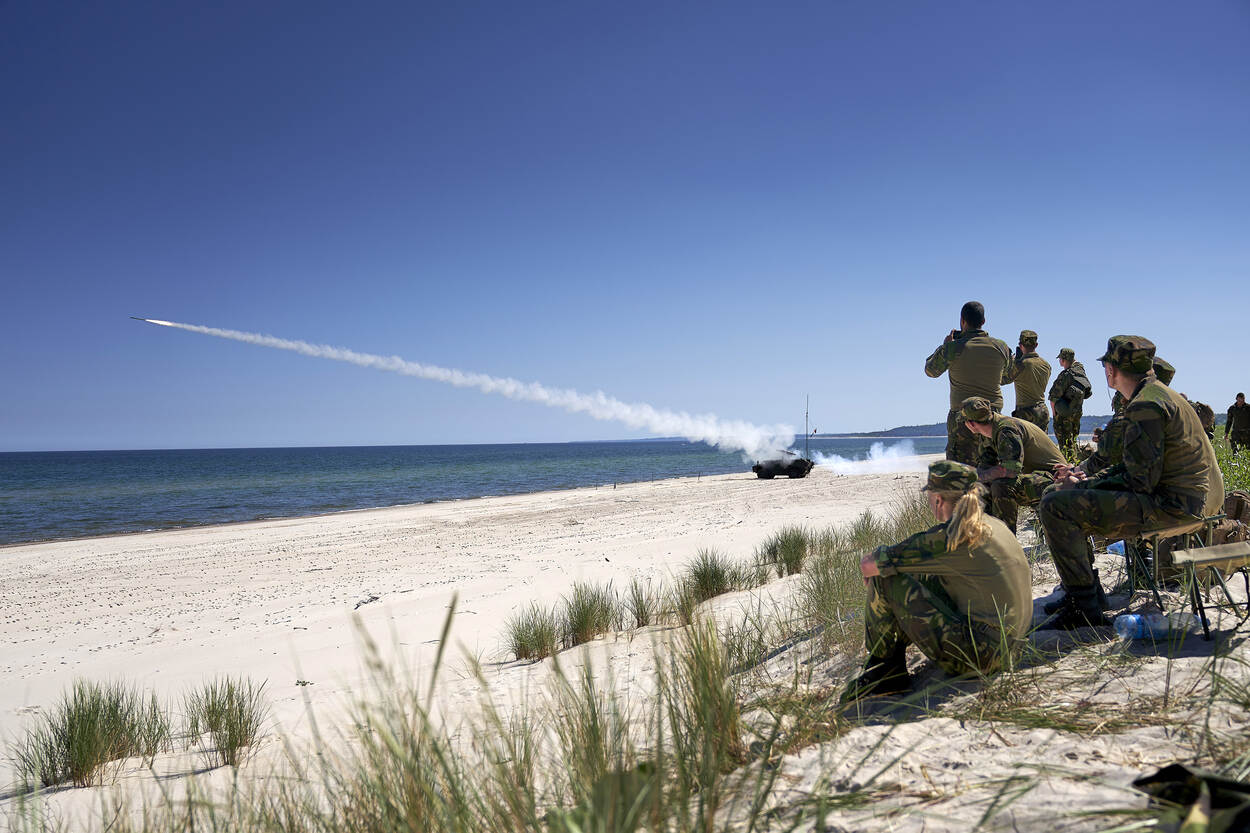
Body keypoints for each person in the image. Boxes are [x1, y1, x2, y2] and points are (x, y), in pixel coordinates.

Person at [1037, 336, 1211, 630]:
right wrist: (1088, 480)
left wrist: (1082, 486)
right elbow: (1137, 468)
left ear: (1112, 370)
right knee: (1059, 495)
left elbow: (1139, 480)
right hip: (1179, 501)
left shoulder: (1146, 405)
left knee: (1055, 505)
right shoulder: (1159, 395)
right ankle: (1089, 594)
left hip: (1171, 507)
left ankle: (1084, 607)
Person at [841, 460, 1031, 702]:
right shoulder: (994, 524)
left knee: (885, 579)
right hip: (1013, 649)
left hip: (983, 658)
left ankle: (884, 672)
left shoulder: (954, 537)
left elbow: (869, 564)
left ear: (938, 500)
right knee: (916, 574)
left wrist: (880, 573)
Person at [960, 396, 1066, 535]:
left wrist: (977, 476)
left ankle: (1007, 540)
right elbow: (986, 467)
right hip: (1038, 476)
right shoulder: (989, 431)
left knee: (1002, 486)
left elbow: (1011, 470)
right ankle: (986, 538)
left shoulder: (1006, 429)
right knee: (979, 488)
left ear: (971, 424)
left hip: (1056, 478)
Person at [924, 301, 1012, 466]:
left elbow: (930, 371)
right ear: (983, 321)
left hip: (962, 418)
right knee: (990, 467)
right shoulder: (1001, 347)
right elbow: (1006, 375)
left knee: (960, 470)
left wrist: (945, 346)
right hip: (993, 415)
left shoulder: (953, 348)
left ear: (962, 321)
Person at [1049, 348, 1093, 462]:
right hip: (1076, 414)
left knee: (1065, 445)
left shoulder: (1066, 375)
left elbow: (1053, 398)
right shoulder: (1081, 373)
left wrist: (1055, 415)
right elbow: (1088, 393)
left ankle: (1069, 466)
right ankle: (1075, 463)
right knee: (1072, 441)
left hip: (1063, 416)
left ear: (1063, 360)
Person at [1007, 330, 1051, 431]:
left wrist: (1011, 362)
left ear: (1020, 345)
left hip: (1025, 413)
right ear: (1036, 345)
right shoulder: (1046, 365)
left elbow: (1003, 379)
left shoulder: (1020, 365)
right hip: (1042, 411)